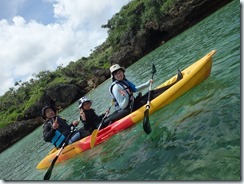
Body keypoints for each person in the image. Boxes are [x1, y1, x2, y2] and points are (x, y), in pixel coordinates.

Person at [108, 64, 183, 121]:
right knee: (151, 95)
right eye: (116, 74)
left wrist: (147, 84)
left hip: (133, 104)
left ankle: (174, 83)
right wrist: (126, 97)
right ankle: (175, 84)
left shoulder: (124, 81)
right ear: (114, 76)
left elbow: (135, 89)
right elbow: (122, 106)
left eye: (120, 72)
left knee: (152, 92)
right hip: (129, 110)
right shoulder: (116, 87)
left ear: (122, 72)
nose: (119, 74)